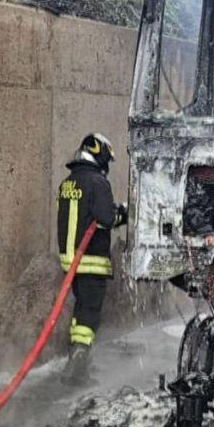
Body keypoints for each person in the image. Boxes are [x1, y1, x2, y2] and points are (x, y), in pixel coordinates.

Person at [57, 132, 127, 385]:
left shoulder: (69, 182)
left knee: (81, 309)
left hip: (71, 262)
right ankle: (77, 367)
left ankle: (76, 362)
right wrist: (124, 213)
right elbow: (105, 218)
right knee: (89, 314)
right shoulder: (97, 182)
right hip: (90, 260)